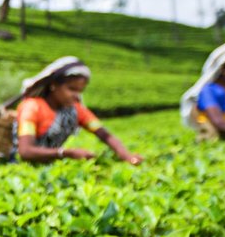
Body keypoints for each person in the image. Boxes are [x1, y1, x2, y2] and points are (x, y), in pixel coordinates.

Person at [9, 56, 142, 165]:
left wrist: (128, 157)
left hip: (50, 166)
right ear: (54, 85)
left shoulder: (75, 110)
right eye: (72, 89)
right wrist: (66, 153)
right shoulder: (32, 107)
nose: (76, 95)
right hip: (22, 167)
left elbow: (104, 135)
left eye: (80, 91)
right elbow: (25, 151)